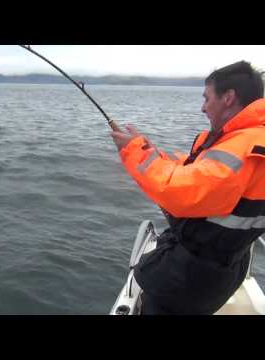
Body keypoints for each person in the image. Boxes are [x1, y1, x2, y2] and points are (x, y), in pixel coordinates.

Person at [111, 61, 265, 314]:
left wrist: (133, 152)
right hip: (223, 267)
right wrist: (149, 151)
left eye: (207, 98)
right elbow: (198, 174)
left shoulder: (244, 146)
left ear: (228, 98)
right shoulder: (248, 138)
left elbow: (180, 192)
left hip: (192, 276)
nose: (203, 107)